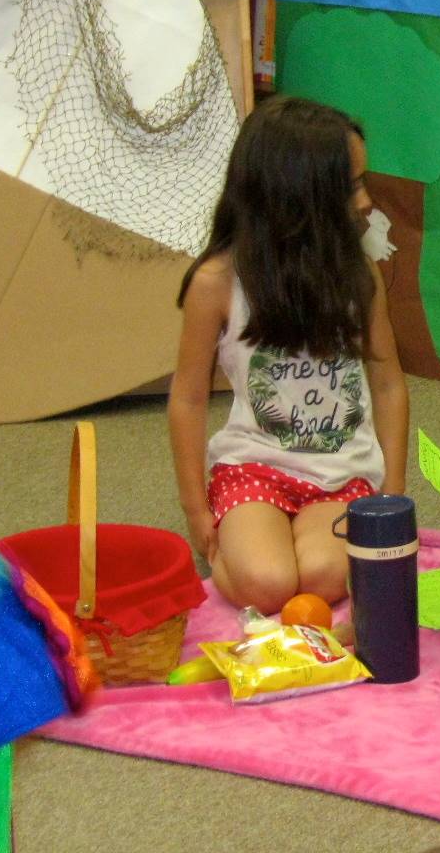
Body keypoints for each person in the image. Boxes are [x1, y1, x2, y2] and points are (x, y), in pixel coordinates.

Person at [169, 96, 409, 613]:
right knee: (270, 584)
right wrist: (195, 509)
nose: (366, 201)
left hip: (343, 474)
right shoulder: (216, 282)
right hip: (252, 469)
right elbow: (187, 399)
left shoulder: (358, 275)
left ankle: (296, 540)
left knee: (323, 576)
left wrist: (392, 486)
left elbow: (387, 378)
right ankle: (244, 546)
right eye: (351, 187)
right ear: (299, 196)